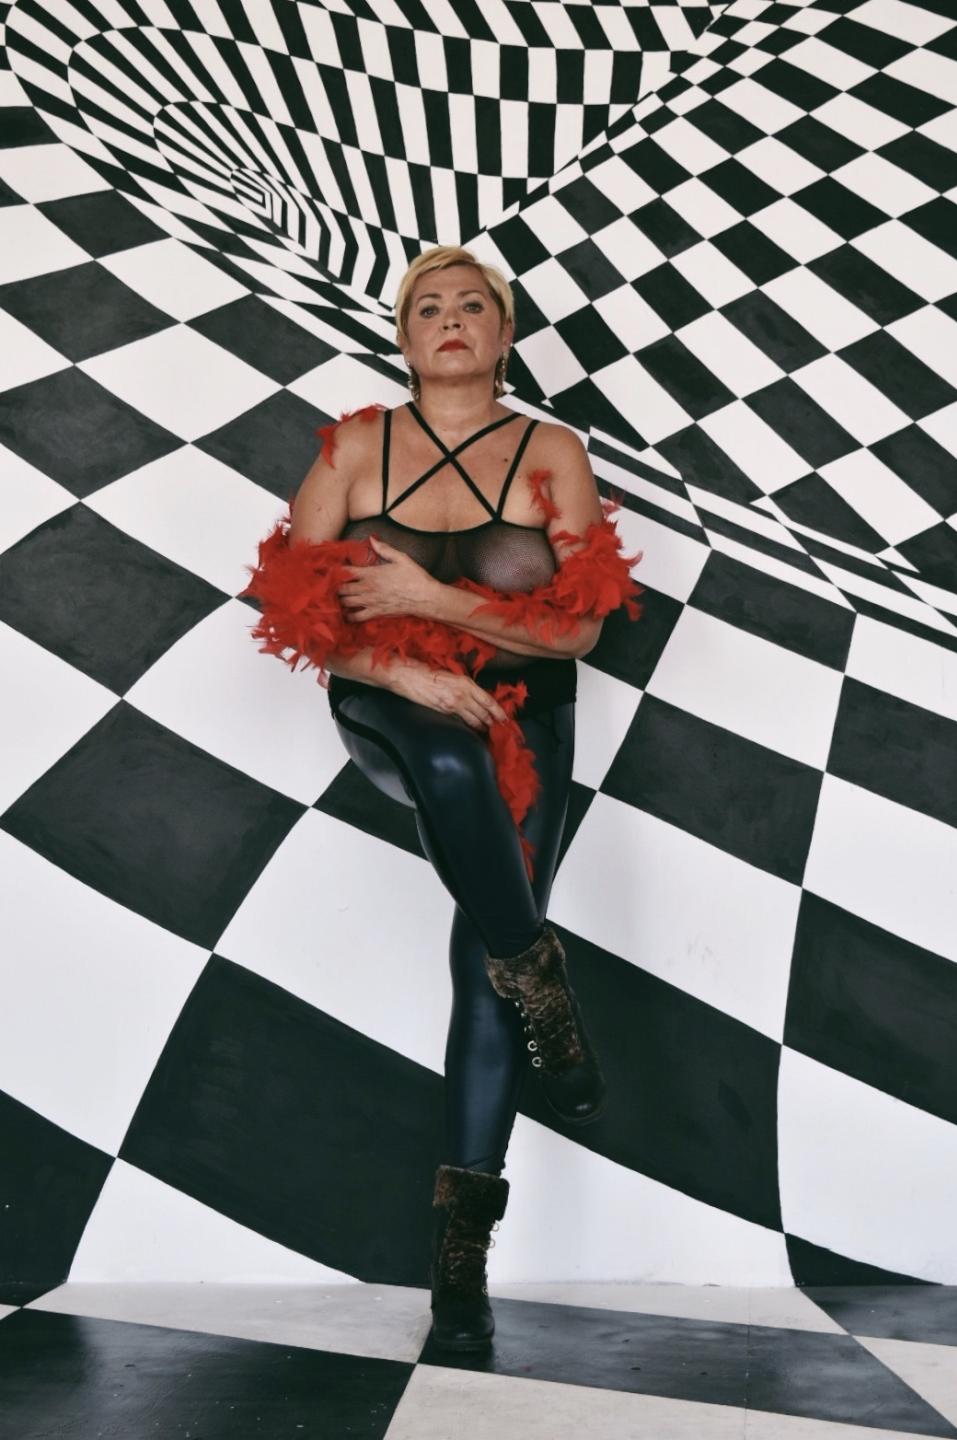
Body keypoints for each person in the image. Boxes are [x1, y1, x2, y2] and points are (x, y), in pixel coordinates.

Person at [259, 244, 639, 1353]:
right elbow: (294, 607)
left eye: (474, 304)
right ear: (404, 335)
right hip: (396, 705)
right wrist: (400, 669)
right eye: (428, 306)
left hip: (531, 715)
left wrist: (433, 599)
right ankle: (543, 980)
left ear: (503, 333)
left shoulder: (551, 453)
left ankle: (458, 1255)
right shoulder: (355, 446)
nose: (451, 317)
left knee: (480, 961)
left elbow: (577, 630)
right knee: (452, 764)